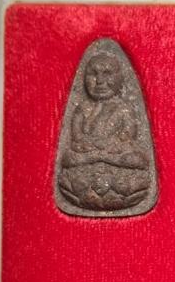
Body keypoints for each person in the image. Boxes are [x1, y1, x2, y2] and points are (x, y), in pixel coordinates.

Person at [58, 53, 150, 211]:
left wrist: (110, 147)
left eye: (107, 74)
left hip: (114, 153)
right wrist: (88, 146)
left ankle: (107, 178)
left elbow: (127, 137)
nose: (100, 81)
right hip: (88, 152)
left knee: (136, 159)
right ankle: (97, 181)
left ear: (120, 78)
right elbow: (77, 137)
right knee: (69, 157)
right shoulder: (83, 108)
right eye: (93, 74)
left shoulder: (124, 109)